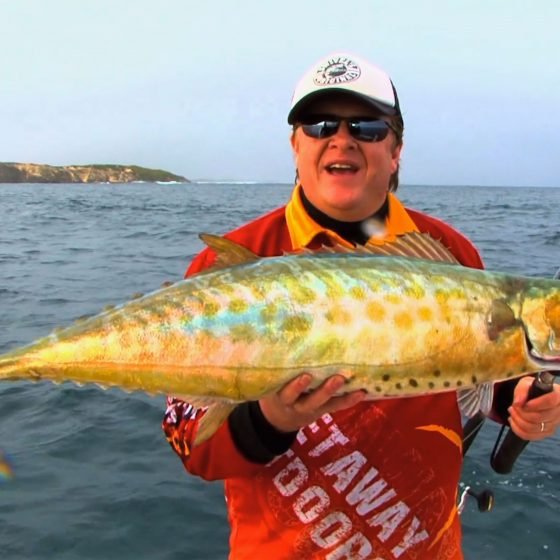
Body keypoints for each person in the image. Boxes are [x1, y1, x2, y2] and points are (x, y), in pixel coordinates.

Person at [162, 52, 560, 560]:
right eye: (319, 123)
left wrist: (521, 403)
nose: (342, 138)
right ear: (295, 145)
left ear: (396, 150)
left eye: (368, 126)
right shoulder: (235, 260)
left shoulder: (450, 251)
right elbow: (189, 442)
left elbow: (479, 377)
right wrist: (271, 418)